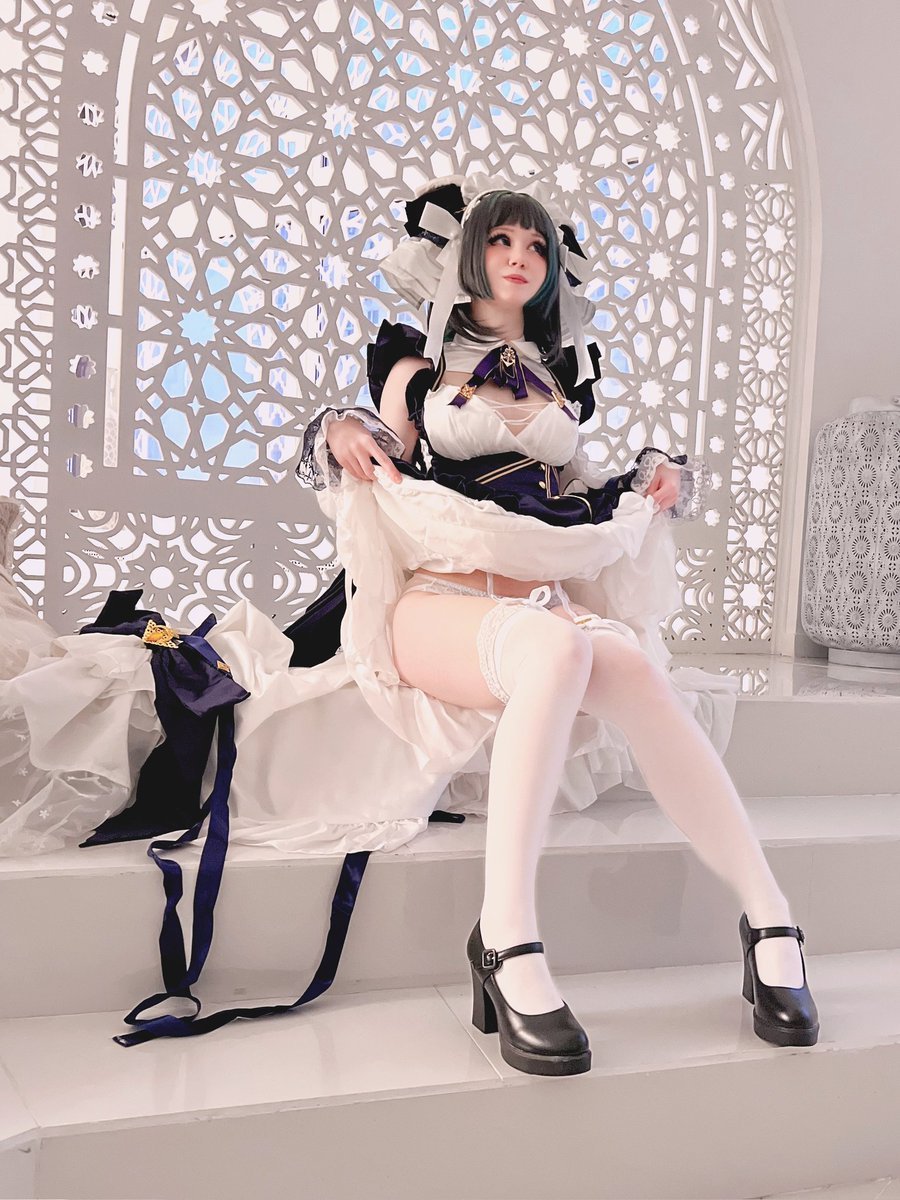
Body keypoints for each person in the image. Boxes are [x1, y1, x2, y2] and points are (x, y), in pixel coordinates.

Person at [0, 171, 818, 1073]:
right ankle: (507, 937)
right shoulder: (418, 357)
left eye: (536, 246)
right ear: (469, 253)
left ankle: (771, 918)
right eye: (502, 241)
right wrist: (339, 431)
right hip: (437, 601)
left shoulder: (558, 376)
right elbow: (387, 445)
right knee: (557, 651)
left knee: (632, 671)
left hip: (532, 598)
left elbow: (577, 491)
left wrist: (659, 477)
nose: (520, 258)